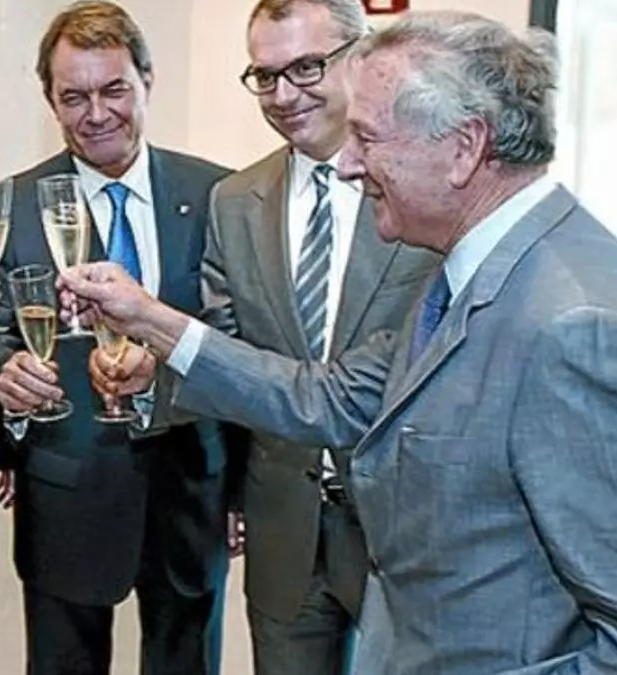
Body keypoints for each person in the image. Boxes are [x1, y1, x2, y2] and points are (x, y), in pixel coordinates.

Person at [63, 11, 617, 673]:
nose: (348, 166)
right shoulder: (469, 275)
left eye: (368, 138)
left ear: (465, 147)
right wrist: (150, 320)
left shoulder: (580, 327)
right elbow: (332, 397)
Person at [163, 0, 440, 671]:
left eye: (307, 67)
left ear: (361, 55)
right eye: (265, 76)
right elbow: (231, 362)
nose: (284, 95)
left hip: (404, 534)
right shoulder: (234, 201)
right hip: (283, 530)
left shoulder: (424, 184)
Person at [0, 2, 237, 673]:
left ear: (147, 80)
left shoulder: (219, 195)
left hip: (190, 486)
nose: (96, 114)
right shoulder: (14, 203)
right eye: (74, 97)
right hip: (66, 489)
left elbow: (238, 342)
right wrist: (1, 371)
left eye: (114, 89)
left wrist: (241, 490)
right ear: (51, 102)